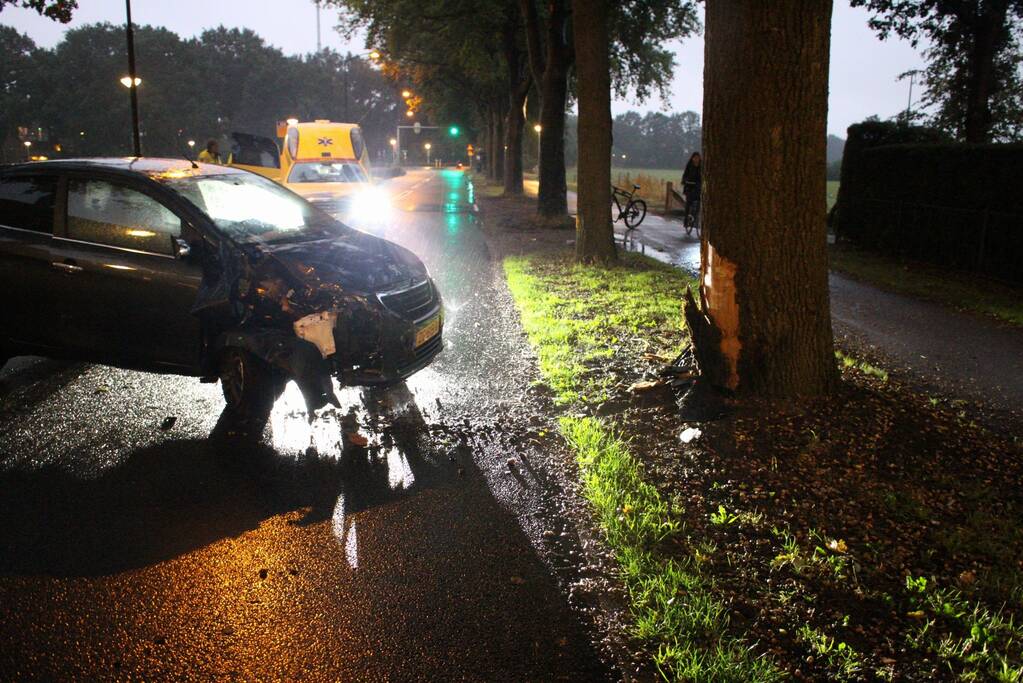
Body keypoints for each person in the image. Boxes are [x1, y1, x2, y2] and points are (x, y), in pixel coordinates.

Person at [681, 151, 702, 226]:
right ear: (692, 158)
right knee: (688, 202)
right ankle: (686, 219)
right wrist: (684, 181)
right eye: (695, 158)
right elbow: (685, 174)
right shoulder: (689, 165)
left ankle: (695, 217)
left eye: (698, 158)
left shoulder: (702, 166)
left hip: (698, 186)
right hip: (689, 185)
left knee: (698, 202)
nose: (696, 159)